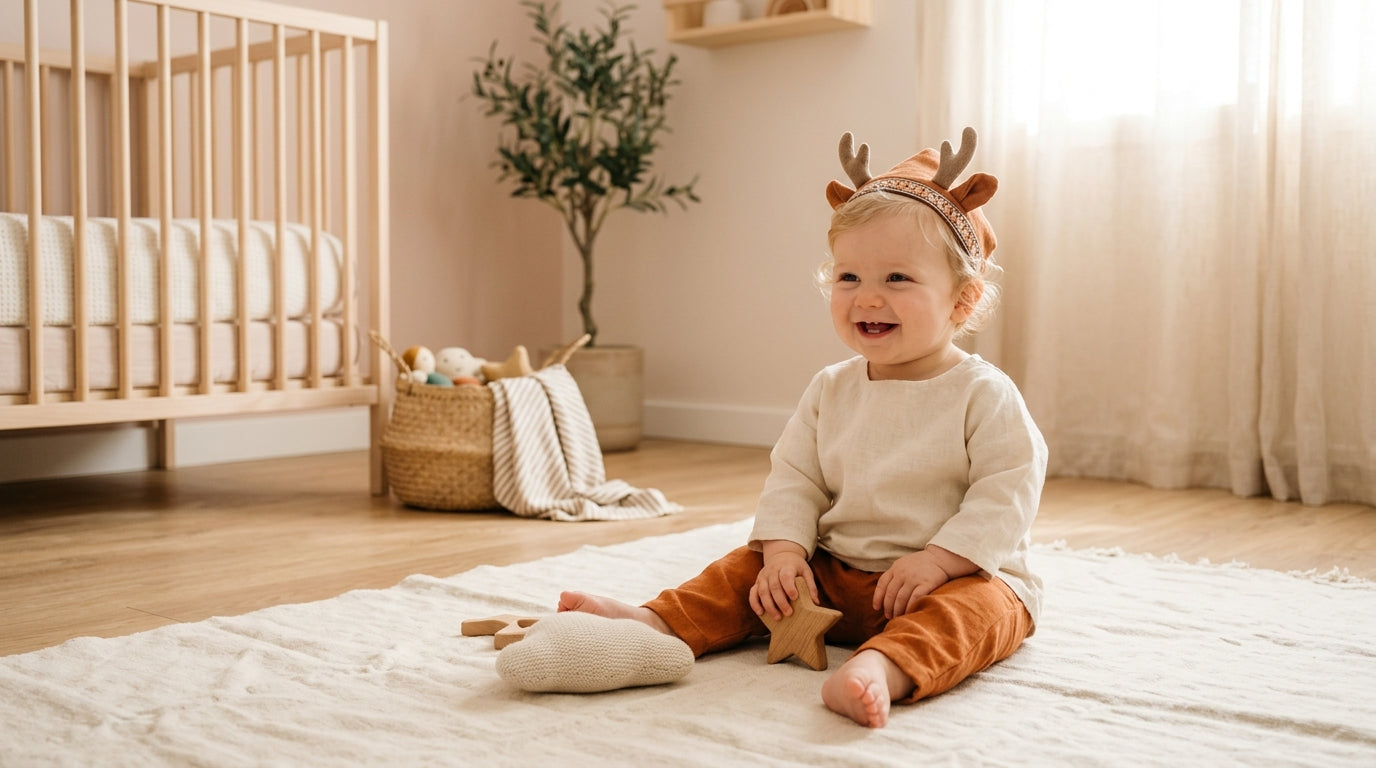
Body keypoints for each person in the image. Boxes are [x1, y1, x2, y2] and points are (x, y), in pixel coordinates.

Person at [559, 128, 1048, 729]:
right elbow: (796, 478)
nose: (868, 298)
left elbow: (1007, 491)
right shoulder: (831, 388)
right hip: (835, 574)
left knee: (979, 615)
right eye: (849, 278)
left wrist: (940, 561)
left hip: (947, 578)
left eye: (897, 279)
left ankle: (882, 670)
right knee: (747, 572)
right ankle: (660, 621)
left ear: (963, 301)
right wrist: (787, 553)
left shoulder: (982, 393)